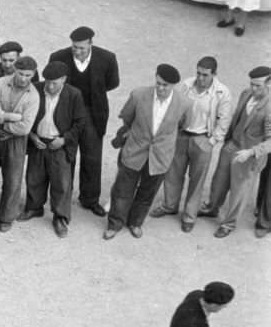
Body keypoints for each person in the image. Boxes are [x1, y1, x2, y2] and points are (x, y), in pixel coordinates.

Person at [103, 64, 189, 240]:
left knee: (147, 193)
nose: (160, 87)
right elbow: (127, 117)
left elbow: (182, 126)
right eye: (158, 82)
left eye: (165, 85)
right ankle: (114, 224)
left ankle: (135, 223)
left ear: (174, 86)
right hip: (134, 151)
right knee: (122, 192)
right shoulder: (138, 95)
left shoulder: (185, 104)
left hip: (160, 157)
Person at [150, 57, 233, 233]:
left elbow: (223, 121)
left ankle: (189, 216)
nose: (200, 78)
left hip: (202, 139)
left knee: (197, 179)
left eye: (205, 75)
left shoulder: (222, 93)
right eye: (198, 73)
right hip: (181, 136)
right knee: (173, 173)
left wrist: (211, 143)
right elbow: (175, 107)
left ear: (214, 74)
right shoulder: (187, 85)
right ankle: (169, 205)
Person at [48, 27, 120, 216]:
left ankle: (89, 199)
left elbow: (113, 83)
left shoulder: (107, 58)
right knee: (66, 156)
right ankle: (64, 197)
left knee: (92, 158)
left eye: (81, 48)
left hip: (92, 113)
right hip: (66, 111)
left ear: (90, 44)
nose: (77, 51)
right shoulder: (58, 56)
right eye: (74, 47)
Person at [200, 66, 271, 239]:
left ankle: (228, 224)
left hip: (249, 155)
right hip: (232, 145)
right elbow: (236, 118)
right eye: (252, 84)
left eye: (258, 86)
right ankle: (211, 208)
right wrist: (228, 142)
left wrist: (251, 152)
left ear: (269, 84)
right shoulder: (246, 94)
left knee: (239, 191)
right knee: (219, 181)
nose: (253, 89)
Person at [19, 61, 86, 238]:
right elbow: (24, 114)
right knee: (34, 177)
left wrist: (64, 140)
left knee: (62, 183)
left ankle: (60, 217)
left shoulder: (74, 95)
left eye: (54, 82)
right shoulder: (35, 89)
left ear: (64, 79)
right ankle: (34, 208)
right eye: (47, 81)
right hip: (38, 141)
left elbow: (80, 123)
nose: (49, 85)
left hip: (59, 144)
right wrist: (32, 136)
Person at [0, 54, 38, 232]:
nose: (24, 78)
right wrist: (12, 117)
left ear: (33, 74)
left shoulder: (34, 96)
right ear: (15, 70)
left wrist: (3, 122)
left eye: (28, 75)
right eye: (21, 73)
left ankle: (6, 217)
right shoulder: (0, 83)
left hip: (15, 142)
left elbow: (24, 128)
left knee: (13, 179)